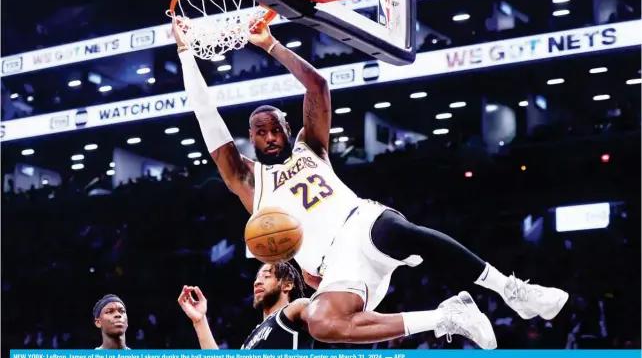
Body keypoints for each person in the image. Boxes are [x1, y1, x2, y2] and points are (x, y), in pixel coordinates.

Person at [174, 17, 568, 348]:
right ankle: (448, 316)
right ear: (251, 138)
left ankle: (512, 290)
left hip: (358, 223)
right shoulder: (248, 179)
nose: (271, 137)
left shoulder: (310, 147)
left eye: (276, 128)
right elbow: (208, 121)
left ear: (287, 127)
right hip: (334, 267)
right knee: (323, 324)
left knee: (404, 231)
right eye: (260, 133)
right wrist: (185, 55)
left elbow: (318, 87)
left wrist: (271, 44)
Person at [178, 262, 315, 349]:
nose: (257, 282)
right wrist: (199, 320)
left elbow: (332, 317)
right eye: (256, 278)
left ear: (288, 285)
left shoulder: (294, 310)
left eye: (266, 276)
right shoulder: (248, 343)